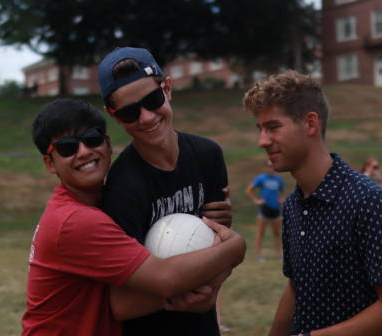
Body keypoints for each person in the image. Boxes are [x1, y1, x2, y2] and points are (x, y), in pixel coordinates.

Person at [22, 98, 246, 336]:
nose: (84, 151)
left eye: (92, 138)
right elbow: (165, 279)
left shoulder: (96, 206)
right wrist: (235, 248)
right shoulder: (76, 221)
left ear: (107, 144)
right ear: (50, 163)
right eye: (67, 147)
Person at [243, 71, 382, 336]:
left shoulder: (367, 201)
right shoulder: (291, 206)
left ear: (311, 124)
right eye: (261, 129)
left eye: (273, 127)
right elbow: (296, 288)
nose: (262, 141)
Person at [99, 47, 233, 336]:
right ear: (114, 115)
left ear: (168, 88)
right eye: (130, 112)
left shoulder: (208, 155)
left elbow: (219, 253)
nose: (146, 117)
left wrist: (212, 290)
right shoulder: (122, 187)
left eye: (153, 100)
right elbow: (121, 304)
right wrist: (211, 274)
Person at [246, 160, 285, 262]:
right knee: (260, 232)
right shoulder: (261, 178)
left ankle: (279, 254)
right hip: (264, 208)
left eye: (272, 165)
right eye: (269, 166)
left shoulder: (278, 179)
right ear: (265, 167)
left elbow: (282, 190)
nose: (270, 168)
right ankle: (259, 255)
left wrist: (281, 198)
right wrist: (256, 200)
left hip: (275, 208)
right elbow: (249, 190)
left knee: (276, 232)